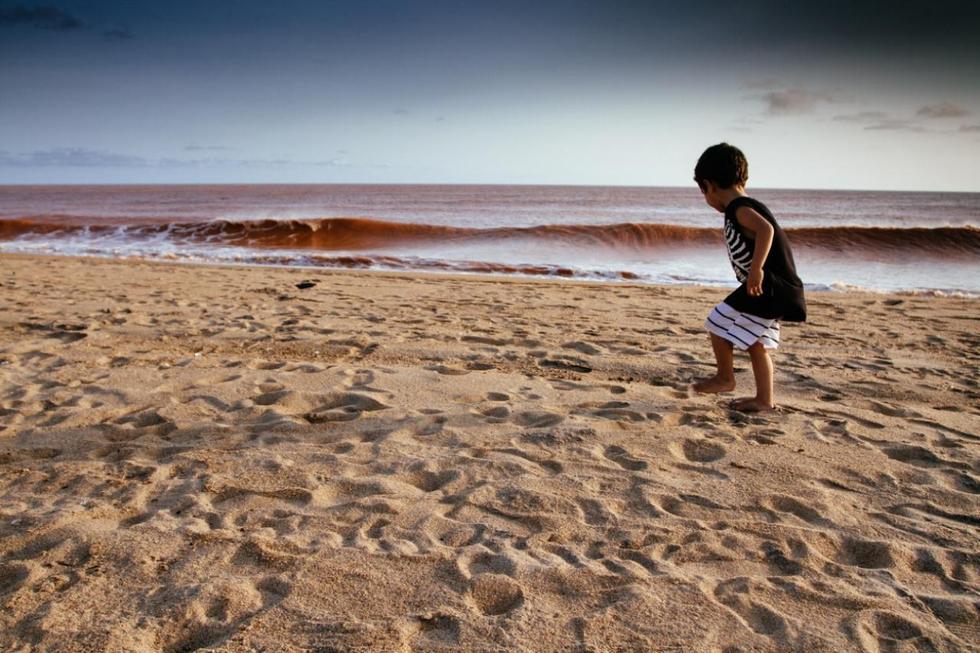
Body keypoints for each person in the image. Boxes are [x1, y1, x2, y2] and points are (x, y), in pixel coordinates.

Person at [690, 143, 806, 411]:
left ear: (708, 186)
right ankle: (764, 401)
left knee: (717, 321)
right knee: (757, 343)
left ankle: (724, 378)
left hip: (769, 287)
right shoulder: (746, 205)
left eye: (703, 193)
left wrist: (756, 270)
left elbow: (766, 230)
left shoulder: (738, 208)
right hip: (781, 289)